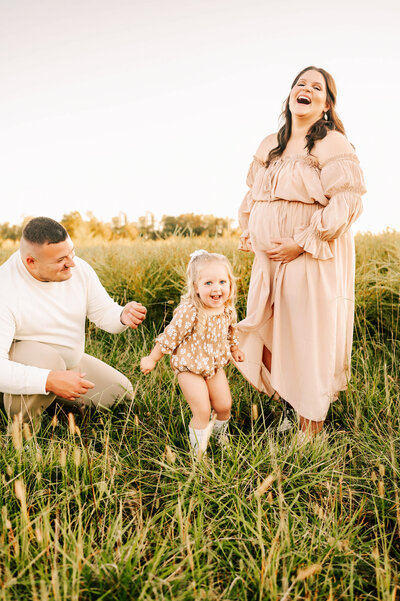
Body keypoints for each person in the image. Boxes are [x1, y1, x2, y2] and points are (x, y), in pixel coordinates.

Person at [236, 66, 366, 439]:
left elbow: (348, 202)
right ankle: (291, 409)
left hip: (311, 253)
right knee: (268, 328)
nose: (305, 88)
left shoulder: (332, 143)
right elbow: (254, 195)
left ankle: (311, 431)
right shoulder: (269, 145)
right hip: (270, 257)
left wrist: (303, 241)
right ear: (290, 94)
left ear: (326, 104)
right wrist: (248, 229)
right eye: (300, 83)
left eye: (316, 86)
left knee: (307, 335)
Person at [0, 216, 147, 428]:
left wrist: (122, 315)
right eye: (61, 260)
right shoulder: (5, 288)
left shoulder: (78, 269)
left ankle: (50, 401)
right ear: (31, 262)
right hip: (30, 363)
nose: (72, 263)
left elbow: (103, 311)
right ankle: (22, 431)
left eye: (72, 253)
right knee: (47, 362)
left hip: (68, 363)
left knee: (119, 394)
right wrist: (48, 380)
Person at [140, 250, 244, 452]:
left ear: (230, 284)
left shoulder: (228, 309)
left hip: (214, 366)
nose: (217, 288)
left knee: (224, 406)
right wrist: (152, 359)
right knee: (203, 411)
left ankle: (220, 440)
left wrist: (234, 348)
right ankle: (199, 454)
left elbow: (231, 331)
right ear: (196, 287)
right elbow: (171, 336)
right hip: (190, 368)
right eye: (208, 283)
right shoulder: (190, 311)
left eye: (223, 282)